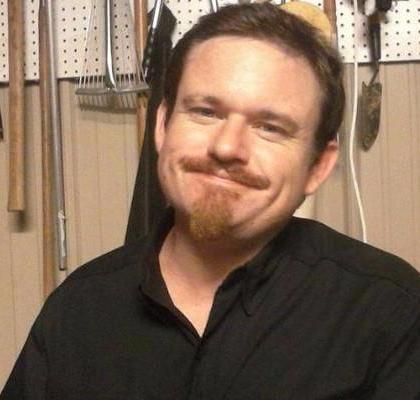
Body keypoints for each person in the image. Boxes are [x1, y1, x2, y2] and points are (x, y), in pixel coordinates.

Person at [2, 3, 420, 399]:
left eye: (270, 127)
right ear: (162, 125)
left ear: (318, 166)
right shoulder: (79, 309)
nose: (226, 147)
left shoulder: (390, 313)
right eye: (206, 112)